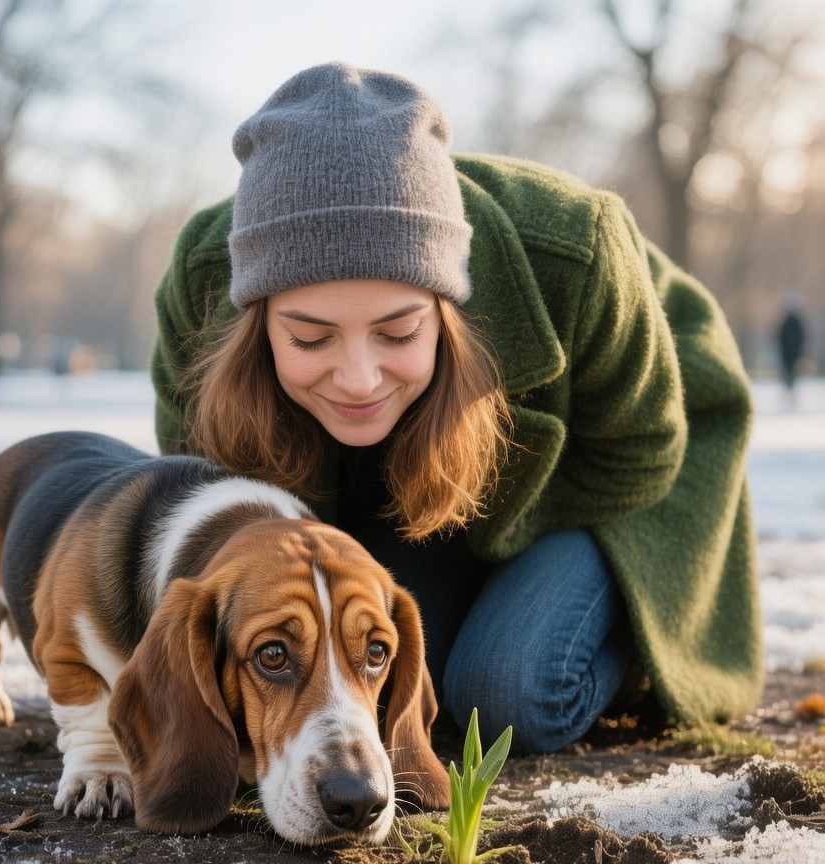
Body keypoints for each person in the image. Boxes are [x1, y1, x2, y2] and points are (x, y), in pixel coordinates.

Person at [151, 62, 761, 753]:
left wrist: (480, 530)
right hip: (414, 486)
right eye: (310, 338)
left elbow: (640, 453)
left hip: (614, 468)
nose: (358, 380)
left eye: (398, 332)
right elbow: (209, 497)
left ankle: (633, 643)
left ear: (448, 308)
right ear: (258, 323)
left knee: (506, 693)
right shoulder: (203, 279)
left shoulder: (580, 248)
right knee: (392, 681)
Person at [777, 295, 806, 392]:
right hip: (790, 352)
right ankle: (789, 386)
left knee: (790, 370)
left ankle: (790, 386)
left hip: (790, 352)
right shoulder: (793, 322)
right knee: (790, 369)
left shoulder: (789, 322)